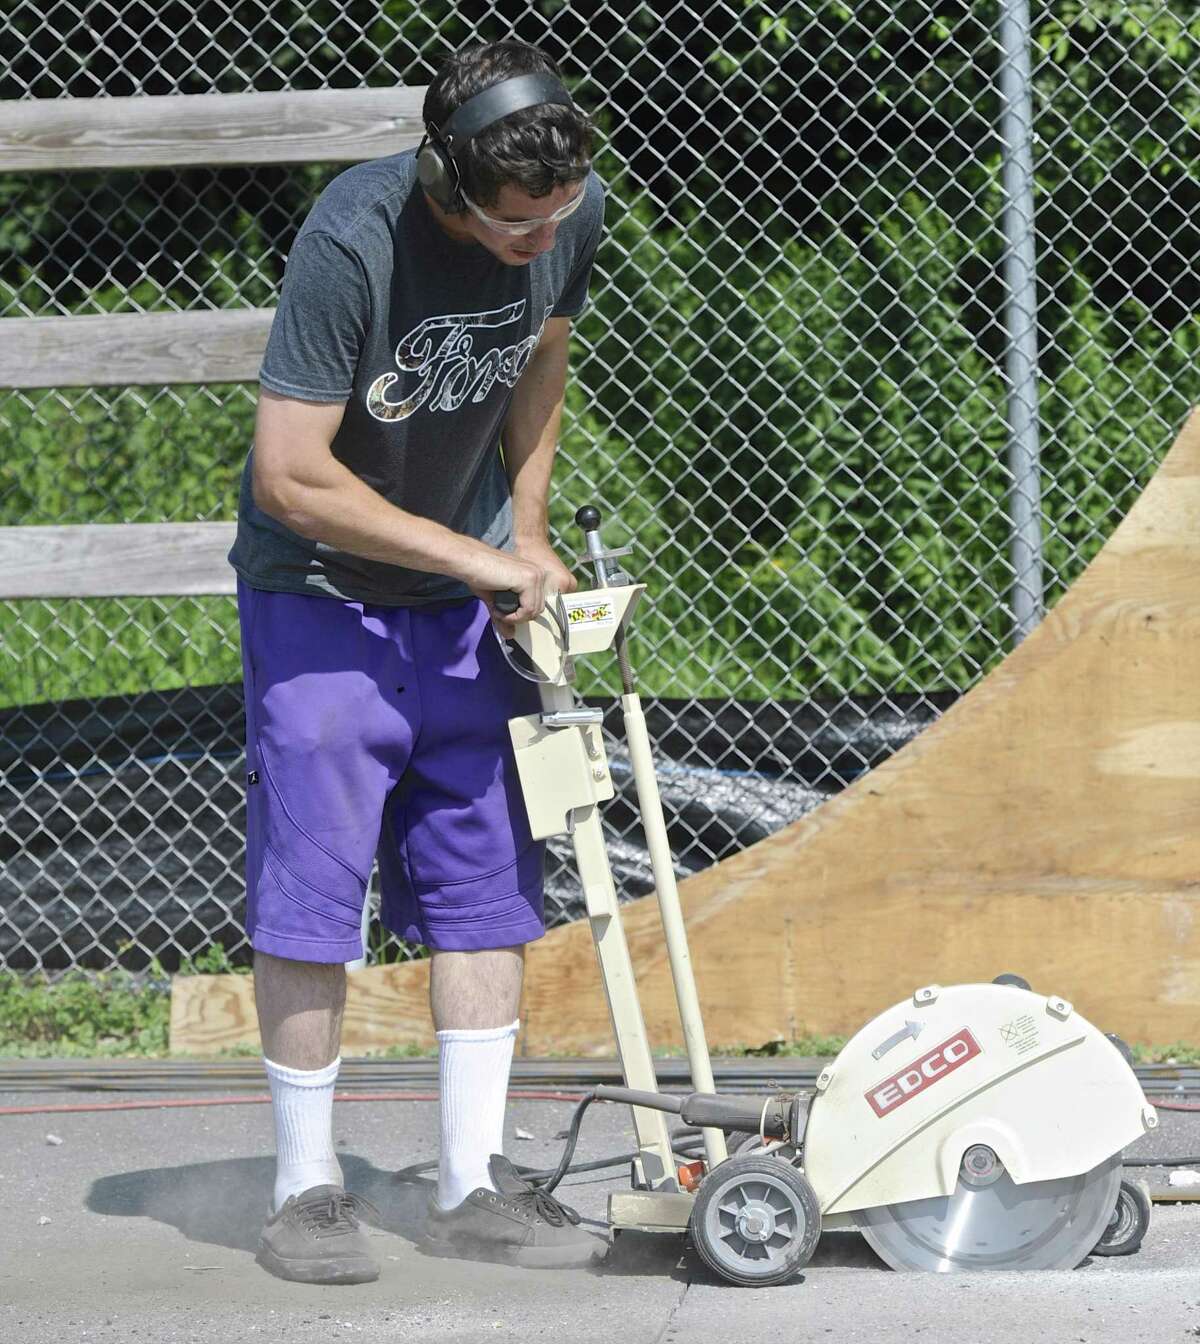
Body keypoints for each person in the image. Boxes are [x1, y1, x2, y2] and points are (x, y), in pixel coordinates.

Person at [226, 38, 606, 1283]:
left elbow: (542, 349)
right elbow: (290, 476)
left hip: (463, 594)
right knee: (315, 885)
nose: (541, 239)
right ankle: (306, 1192)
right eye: (515, 224)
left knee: (487, 870)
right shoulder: (356, 236)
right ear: (449, 178)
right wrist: (470, 553)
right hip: (324, 596)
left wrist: (525, 538)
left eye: (559, 213)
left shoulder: (564, 209)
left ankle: (470, 1182)